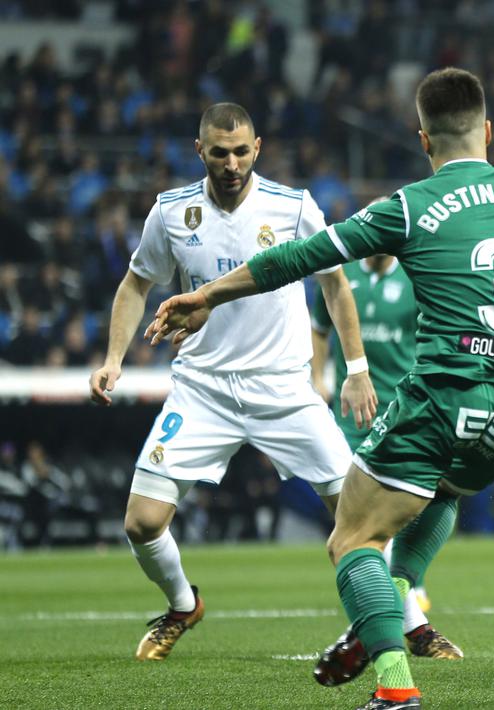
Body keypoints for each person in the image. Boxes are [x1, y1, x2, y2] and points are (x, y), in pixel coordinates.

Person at [146, 68, 494, 710]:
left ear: (423, 140)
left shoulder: (411, 205)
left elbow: (303, 257)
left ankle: (394, 685)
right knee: (443, 490)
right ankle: (388, 604)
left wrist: (209, 293)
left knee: (351, 539)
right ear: (488, 131)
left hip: (445, 396)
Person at [89, 102, 377, 662]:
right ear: (200, 151)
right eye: (219, 152)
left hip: (285, 389)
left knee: (361, 517)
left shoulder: (293, 207)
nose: (231, 162)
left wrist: (355, 368)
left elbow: (336, 285)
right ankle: (181, 605)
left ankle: (400, 625)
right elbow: (134, 284)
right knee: (141, 523)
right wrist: (113, 358)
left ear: (257, 148)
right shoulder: (171, 212)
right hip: (203, 388)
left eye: (241, 151)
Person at [308, 231, 465, 676]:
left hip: (404, 414)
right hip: (349, 418)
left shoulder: (415, 279)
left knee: (394, 516)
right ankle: (414, 627)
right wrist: (318, 379)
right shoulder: (341, 278)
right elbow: (319, 331)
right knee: (366, 524)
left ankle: (396, 621)